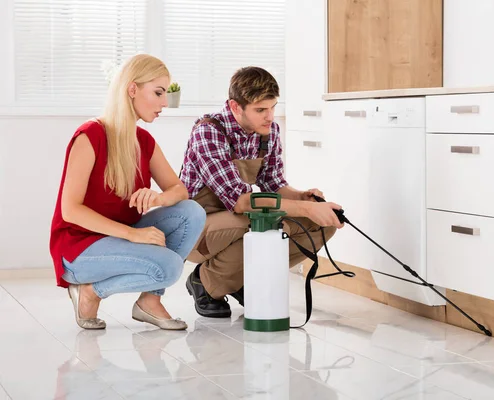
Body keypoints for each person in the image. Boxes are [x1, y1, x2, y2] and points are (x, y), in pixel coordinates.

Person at [49, 54, 206, 331]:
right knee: (169, 267)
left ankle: (149, 300)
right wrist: (134, 234)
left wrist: (158, 197)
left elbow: (180, 190)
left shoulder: (143, 141)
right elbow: (70, 210)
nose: (164, 103)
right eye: (158, 93)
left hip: (118, 237)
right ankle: (90, 291)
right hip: (78, 247)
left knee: (191, 212)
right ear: (132, 89)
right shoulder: (90, 136)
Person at [180, 66, 343, 318]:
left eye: (273, 107)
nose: (270, 117)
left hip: (233, 220)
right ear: (236, 107)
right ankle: (204, 281)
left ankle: (238, 278)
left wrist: (303, 198)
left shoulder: (269, 131)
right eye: (260, 110)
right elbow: (241, 202)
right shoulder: (209, 130)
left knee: (323, 224)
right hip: (195, 229)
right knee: (261, 222)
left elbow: (274, 183)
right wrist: (306, 208)